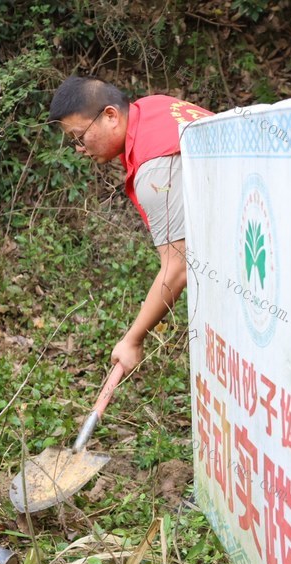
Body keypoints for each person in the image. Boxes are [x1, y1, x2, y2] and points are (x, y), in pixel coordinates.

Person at [49, 76, 212, 373]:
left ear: (110, 115)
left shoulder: (155, 168)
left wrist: (133, 340)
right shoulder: (154, 108)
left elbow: (179, 266)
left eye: (79, 137)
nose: (79, 149)